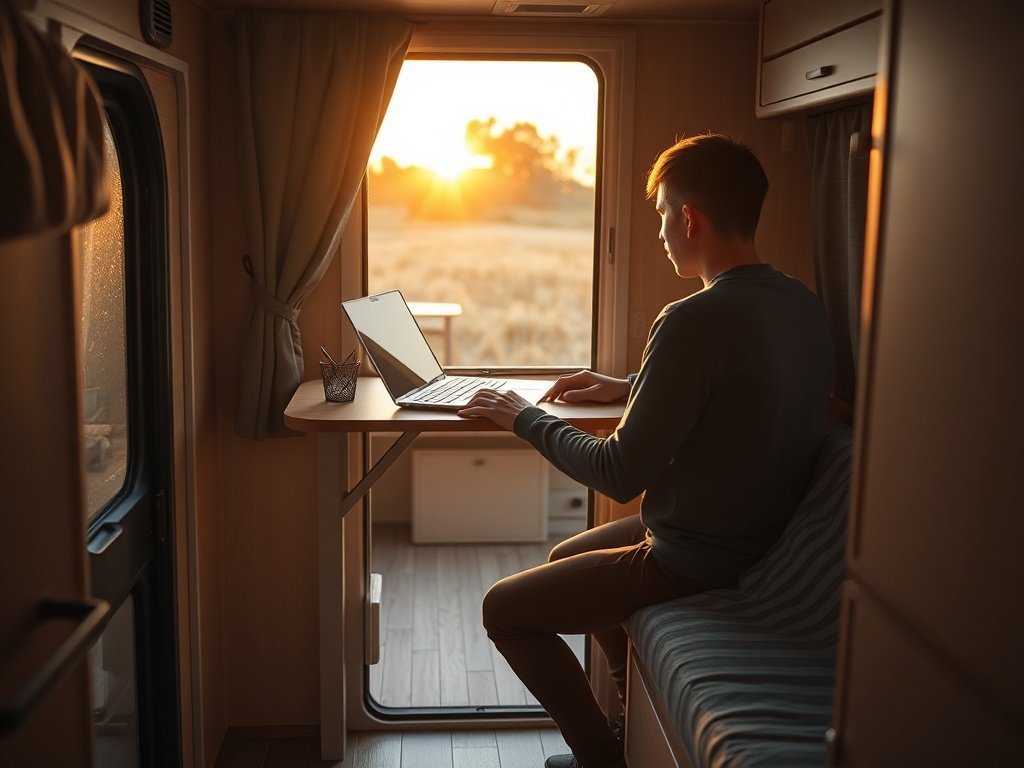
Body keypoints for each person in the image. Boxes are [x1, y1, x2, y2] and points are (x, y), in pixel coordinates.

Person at [457, 133, 833, 768]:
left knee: (506, 610)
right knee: (569, 552)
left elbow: (618, 473)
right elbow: (743, 388)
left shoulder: (690, 319)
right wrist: (633, 384)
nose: (660, 231)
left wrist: (523, 418)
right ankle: (632, 724)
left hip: (700, 554)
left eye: (661, 214)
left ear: (689, 217)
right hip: (757, 530)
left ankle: (600, 757)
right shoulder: (800, 303)